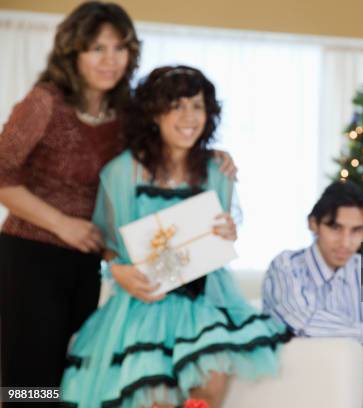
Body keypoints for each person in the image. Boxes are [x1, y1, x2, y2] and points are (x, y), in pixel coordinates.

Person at [0, 3, 237, 390]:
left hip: (89, 254)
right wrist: (62, 225)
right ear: (72, 52)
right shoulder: (45, 101)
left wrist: (209, 153)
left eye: (120, 48)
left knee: (72, 370)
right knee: (31, 373)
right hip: (32, 251)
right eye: (97, 48)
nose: (110, 60)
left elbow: (164, 141)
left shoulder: (127, 111)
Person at [60, 65, 290, 408]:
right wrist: (118, 270)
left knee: (209, 387)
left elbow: (219, 236)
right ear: (153, 113)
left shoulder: (218, 169)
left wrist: (228, 231)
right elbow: (107, 244)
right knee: (154, 394)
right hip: (143, 302)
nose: (189, 116)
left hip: (205, 300)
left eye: (197, 106)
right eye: (176, 105)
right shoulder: (122, 171)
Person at [263, 181, 363, 408]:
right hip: (308, 384)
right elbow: (305, 323)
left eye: (356, 230)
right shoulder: (286, 266)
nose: (346, 242)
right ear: (313, 224)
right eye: (335, 228)